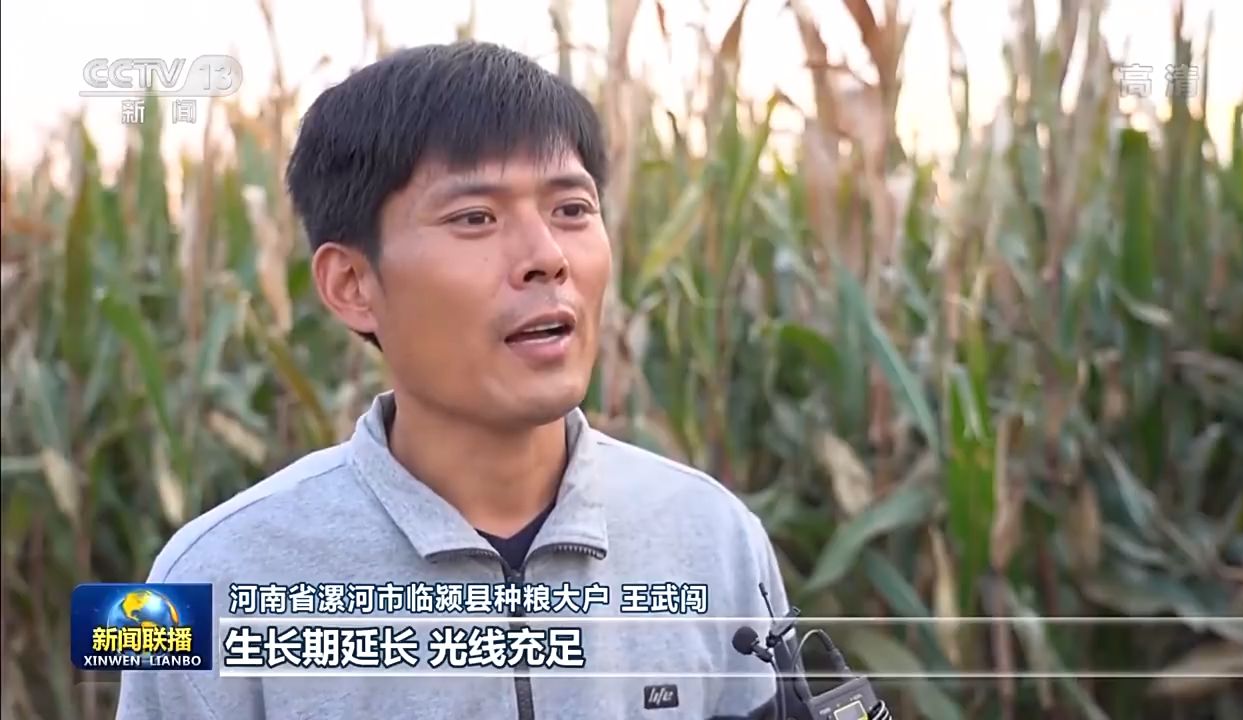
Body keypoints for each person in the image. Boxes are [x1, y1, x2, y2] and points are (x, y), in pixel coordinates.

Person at [116, 41, 791, 720]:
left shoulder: (714, 538)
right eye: (475, 218)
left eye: (571, 209)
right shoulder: (212, 582)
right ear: (351, 284)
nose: (547, 257)